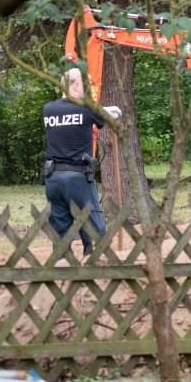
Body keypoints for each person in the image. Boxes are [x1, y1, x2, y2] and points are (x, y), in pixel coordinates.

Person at [42, 68, 121, 258]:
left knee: (60, 232)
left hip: (53, 179)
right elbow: (113, 115)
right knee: (97, 227)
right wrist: (112, 111)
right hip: (78, 178)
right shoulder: (87, 109)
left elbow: (71, 115)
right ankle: (95, 265)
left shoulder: (48, 109)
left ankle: (63, 272)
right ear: (76, 85)